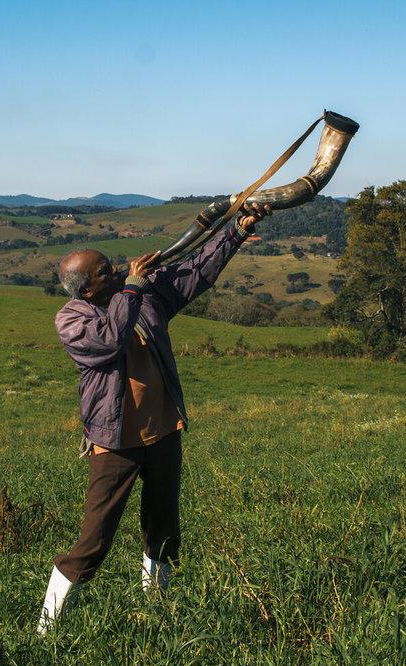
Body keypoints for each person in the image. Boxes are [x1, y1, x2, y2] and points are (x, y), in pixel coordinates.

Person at [37, 203, 271, 633]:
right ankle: (45, 629)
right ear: (85, 289)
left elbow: (195, 272)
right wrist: (132, 288)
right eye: (106, 271)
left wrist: (235, 230)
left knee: (163, 528)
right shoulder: (72, 319)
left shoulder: (141, 295)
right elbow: (111, 341)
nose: (118, 271)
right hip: (115, 442)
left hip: (162, 433)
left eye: (112, 265)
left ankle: (157, 613)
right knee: (94, 542)